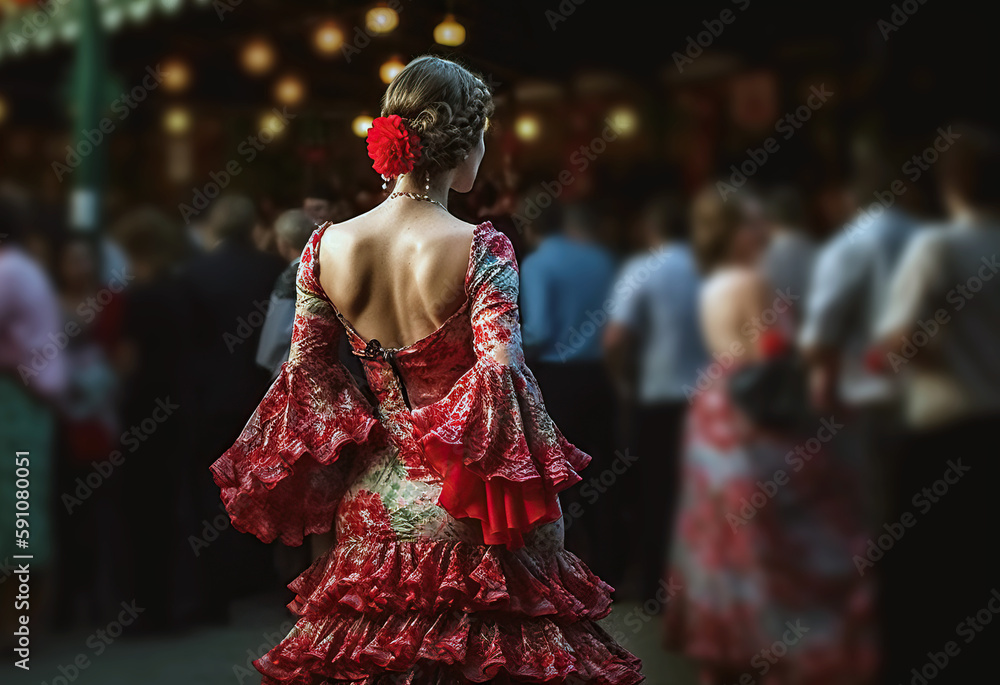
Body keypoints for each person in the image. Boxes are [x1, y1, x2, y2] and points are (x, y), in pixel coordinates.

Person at [211, 55, 643, 685]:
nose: (484, 153)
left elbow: (305, 381)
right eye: (483, 137)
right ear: (460, 145)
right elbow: (502, 377)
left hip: (369, 509)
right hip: (469, 504)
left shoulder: (324, 246)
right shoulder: (482, 247)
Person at [662, 186, 877, 685]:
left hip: (716, 410)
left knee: (723, 536)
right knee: (777, 535)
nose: (763, 232)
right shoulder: (753, 282)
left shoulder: (714, 284)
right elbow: (772, 353)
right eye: (752, 223)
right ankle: (779, 645)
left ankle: (727, 643)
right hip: (756, 413)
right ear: (733, 233)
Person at [874, 123, 1000, 685]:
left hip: (944, 431)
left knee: (930, 584)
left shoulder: (940, 247)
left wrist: (939, 353)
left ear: (952, 181)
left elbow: (897, 341)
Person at [177, 194, 286, 625]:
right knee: (260, 481)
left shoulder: (195, 273)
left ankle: (218, 578)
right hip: (260, 392)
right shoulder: (271, 269)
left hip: (210, 396)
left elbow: (188, 341)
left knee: (212, 489)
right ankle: (259, 572)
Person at [603, 193, 707, 605]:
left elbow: (615, 338)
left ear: (650, 230)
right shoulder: (707, 268)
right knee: (697, 491)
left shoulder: (642, 270)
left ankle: (655, 588)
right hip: (704, 397)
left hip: (656, 393)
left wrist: (621, 382)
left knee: (653, 491)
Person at [516, 201, 623, 584]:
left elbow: (541, 331)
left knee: (562, 476)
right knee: (604, 473)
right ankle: (611, 566)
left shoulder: (538, 264)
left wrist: (505, 341)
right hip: (601, 376)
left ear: (529, 229)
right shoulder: (600, 259)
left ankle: (572, 571)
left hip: (560, 379)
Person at [0, 193, 67, 646]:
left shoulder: (9, 271)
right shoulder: (23, 267)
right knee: (22, 511)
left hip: (19, 399)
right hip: (31, 399)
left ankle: (17, 627)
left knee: (16, 517)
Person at [256, 209, 316, 380]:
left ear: (283, 242)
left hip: (295, 367)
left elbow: (277, 333)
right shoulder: (321, 266)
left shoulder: (290, 278)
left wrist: (266, 362)